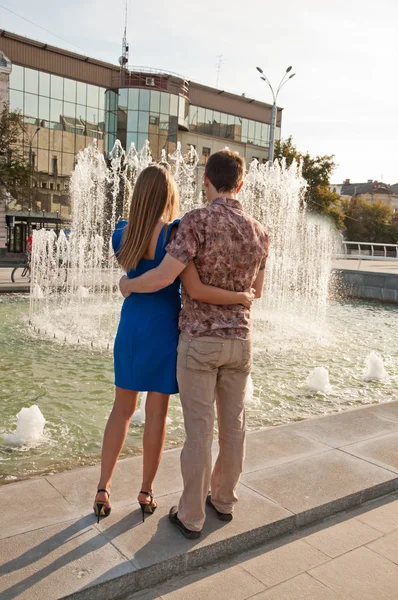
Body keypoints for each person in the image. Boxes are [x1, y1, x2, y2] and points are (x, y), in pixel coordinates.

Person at [93, 164, 255, 524]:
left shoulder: (121, 233)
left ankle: (103, 486)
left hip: (132, 327)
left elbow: (134, 270)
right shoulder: (175, 233)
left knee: (120, 410)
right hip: (167, 329)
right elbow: (184, 281)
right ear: (169, 196)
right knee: (157, 412)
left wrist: (130, 283)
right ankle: (145, 490)